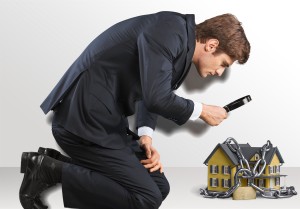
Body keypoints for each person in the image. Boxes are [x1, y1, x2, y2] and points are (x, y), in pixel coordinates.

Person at [19, 11, 250, 209]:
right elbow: (157, 96)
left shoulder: (176, 35)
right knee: (147, 198)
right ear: (212, 45)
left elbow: (150, 89)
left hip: (106, 120)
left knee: (160, 187)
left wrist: (145, 136)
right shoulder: (168, 33)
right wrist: (201, 110)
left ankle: (50, 162)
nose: (220, 73)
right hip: (82, 119)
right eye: (223, 65)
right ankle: (50, 170)